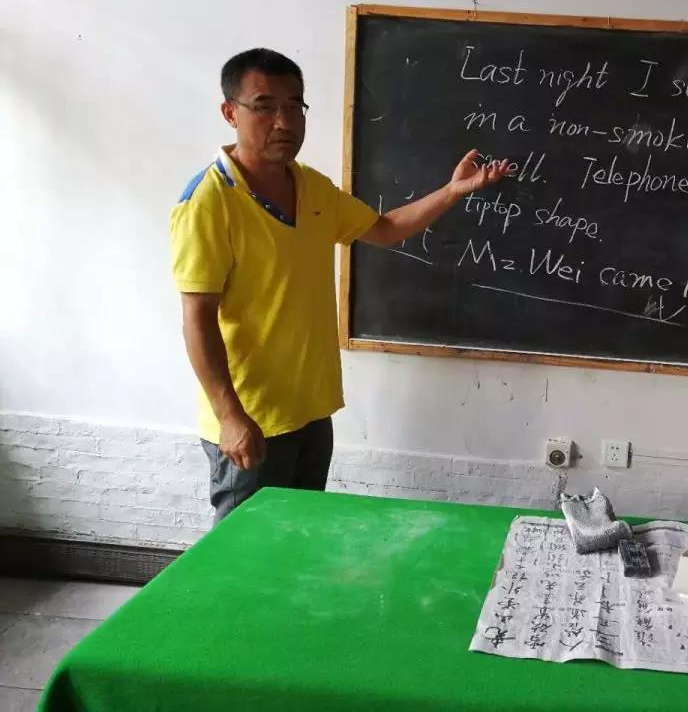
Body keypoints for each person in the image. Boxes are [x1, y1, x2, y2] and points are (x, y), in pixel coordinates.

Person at [170, 48, 509, 524]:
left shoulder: (312, 187)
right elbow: (197, 318)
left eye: (294, 106)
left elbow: (385, 228)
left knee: (302, 538)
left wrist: (453, 191)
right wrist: (229, 416)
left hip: (311, 411)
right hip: (252, 418)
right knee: (245, 552)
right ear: (230, 113)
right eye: (264, 106)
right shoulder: (208, 204)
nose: (284, 122)